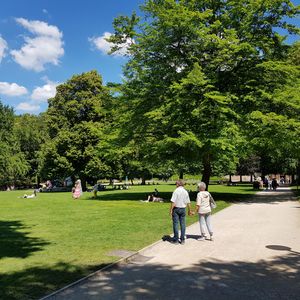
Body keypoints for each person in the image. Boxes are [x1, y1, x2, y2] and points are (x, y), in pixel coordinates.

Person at [169, 180, 192, 245]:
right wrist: (189, 210)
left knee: (176, 224)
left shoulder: (176, 191)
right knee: (183, 224)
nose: (175, 184)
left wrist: (170, 210)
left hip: (176, 209)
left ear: (178, 184)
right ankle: (182, 240)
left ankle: (176, 239)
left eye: (176, 183)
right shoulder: (185, 191)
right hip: (183, 209)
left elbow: (173, 202)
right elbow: (188, 202)